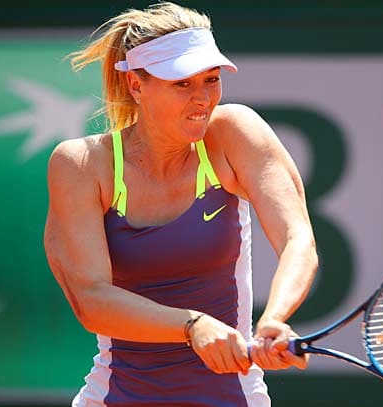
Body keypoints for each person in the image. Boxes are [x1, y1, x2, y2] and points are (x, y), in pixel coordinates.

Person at [43, 2, 318, 406]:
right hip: (114, 397)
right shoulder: (81, 164)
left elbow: (298, 240)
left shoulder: (234, 132)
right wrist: (192, 326)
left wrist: (274, 318)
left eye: (211, 80)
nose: (202, 98)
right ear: (136, 86)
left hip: (234, 397)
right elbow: (91, 300)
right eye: (182, 84)